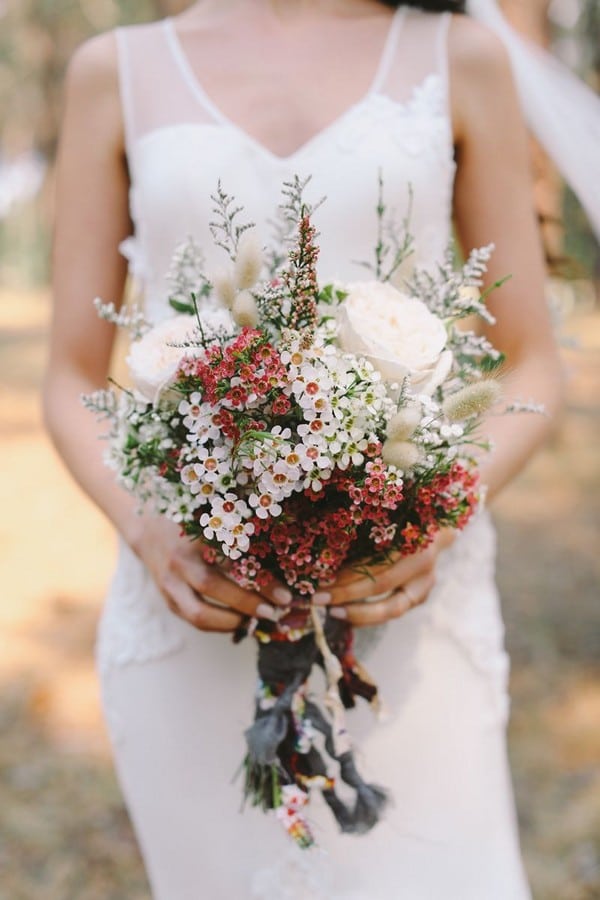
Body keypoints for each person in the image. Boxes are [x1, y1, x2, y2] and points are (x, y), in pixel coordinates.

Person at [44, 1, 564, 897]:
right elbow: (69, 373)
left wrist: (434, 515)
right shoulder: (115, 69)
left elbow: (533, 362)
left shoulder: (460, 54)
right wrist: (149, 532)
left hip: (408, 621)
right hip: (194, 600)